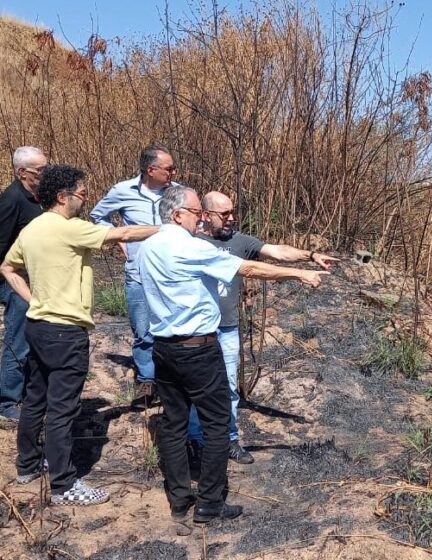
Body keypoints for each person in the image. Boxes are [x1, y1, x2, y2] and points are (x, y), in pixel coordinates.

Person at [137, 186, 327, 524]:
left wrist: (306, 256)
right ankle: (210, 503)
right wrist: (299, 273)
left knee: (173, 423)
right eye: (197, 212)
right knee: (217, 424)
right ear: (178, 214)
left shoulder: (148, 247)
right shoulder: (190, 247)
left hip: (164, 349)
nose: (200, 219)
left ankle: (180, 501)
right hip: (198, 348)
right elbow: (250, 270)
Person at [0, 165, 158, 506]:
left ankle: (28, 466)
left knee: (35, 399)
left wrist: (33, 300)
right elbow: (124, 235)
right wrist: (167, 228)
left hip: (37, 326)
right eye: (82, 193)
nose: (84, 199)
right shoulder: (69, 228)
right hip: (66, 333)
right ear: (62, 196)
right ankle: (63, 485)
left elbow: (6, 268)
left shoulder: (32, 229)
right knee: (62, 410)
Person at [186, 191, 337, 465]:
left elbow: (276, 251)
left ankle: (229, 439)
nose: (231, 218)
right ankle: (196, 440)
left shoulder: (239, 241)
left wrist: (310, 255)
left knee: (229, 387)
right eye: (224, 214)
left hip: (227, 328)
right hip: (196, 331)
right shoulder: (189, 242)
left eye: (233, 212)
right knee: (198, 388)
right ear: (205, 215)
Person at [90, 145, 177, 397]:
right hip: (138, 272)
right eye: (168, 168)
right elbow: (98, 216)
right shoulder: (123, 191)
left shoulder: (178, 192)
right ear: (151, 170)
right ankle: (147, 380)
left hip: (171, 274)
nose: (173, 172)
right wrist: (118, 238)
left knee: (172, 327)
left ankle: (171, 379)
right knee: (143, 329)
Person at [0, 147, 48, 422]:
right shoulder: (11, 200)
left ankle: (31, 393)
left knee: (34, 338)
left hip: (36, 279)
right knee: (17, 340)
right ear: (22, 173)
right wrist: (11, 280)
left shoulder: (38, 197)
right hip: (15, 281)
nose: (45, 173)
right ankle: (8, 400)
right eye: (40, 170)